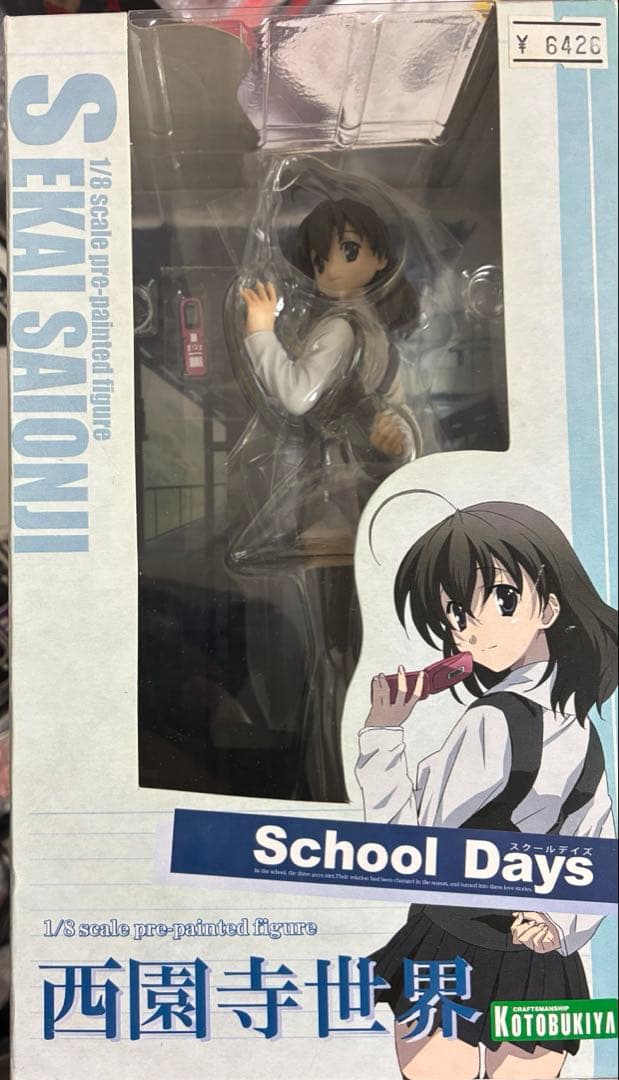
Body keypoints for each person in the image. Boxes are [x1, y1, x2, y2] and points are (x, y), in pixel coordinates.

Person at [355, 500, 617, 1079]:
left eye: (502, 598)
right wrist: (558, 923)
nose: (470, 626)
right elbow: (598, 855)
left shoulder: (490, 721)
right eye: (455, 611)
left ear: (550, 606)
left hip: (453, 944)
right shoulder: (582, 730)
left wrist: (382, 735)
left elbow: (406, 853)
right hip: (542, 959)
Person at [232, 197, 423, 801]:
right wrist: (397, 439)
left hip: (338, 506)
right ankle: (351, 776)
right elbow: (399, 420)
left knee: (337, 654)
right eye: (319, 261)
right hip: (362, 504)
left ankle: (339, 778)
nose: (331, 270)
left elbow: (297, 394)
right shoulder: (370, 331)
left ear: (380, 258)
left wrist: (259, 333)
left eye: (347, 251)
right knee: (352, 650)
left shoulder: (345, 328)